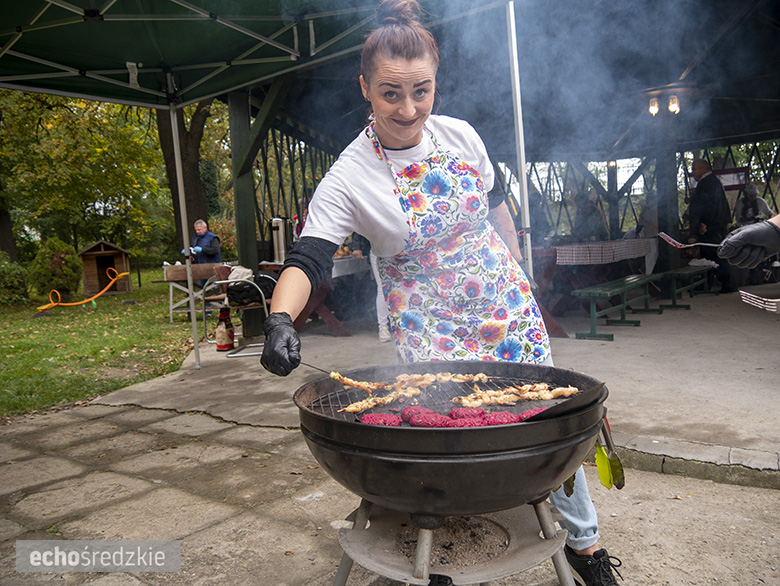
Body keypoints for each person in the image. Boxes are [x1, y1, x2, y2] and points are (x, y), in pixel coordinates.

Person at [260, 2, 623, 584]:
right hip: (427, 324)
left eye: (421, 91)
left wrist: (520, 278)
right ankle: (446, 539)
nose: (408, 109)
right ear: (365, 89)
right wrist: (280, 318)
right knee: (442, 432)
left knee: (546, 419)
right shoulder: (350, 176)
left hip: (500, 307)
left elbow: (497, 206)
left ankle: (585, 545)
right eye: (390, 94)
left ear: (435, 85)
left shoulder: (462, 137)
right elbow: (309, 258)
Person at [688, 159, 732, 291]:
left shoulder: (708, 183)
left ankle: (727, 283)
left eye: (695, 169)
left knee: (715, 253)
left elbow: (710, 206)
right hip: (713, 224)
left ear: (703, 169)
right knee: (708, 255)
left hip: (711, 225)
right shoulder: (710, 182)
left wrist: (705, 224)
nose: (693, 173)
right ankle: (707, 282)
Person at [181, 219, 221, 287]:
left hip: (213, 268)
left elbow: (215, 250)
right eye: (196, 230)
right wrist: (188, 251)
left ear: (205, 228)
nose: (197, 232)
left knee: (215, 287)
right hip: (200, 267)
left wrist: (202, 250)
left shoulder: (213, 238)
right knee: (202, 288)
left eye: (199, 230)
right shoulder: (195, 238)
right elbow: (193, 248)